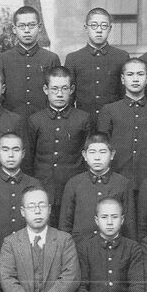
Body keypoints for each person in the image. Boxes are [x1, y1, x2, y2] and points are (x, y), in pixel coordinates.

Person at [26, 66, 92, 226]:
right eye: (54, 89)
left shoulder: (83, 119)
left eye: (64, 88)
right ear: (46, 89)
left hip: (73, 187)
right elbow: (29, 158)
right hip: (43, 187)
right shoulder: (35, 120)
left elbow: (87, 158)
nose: (60, 94)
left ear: (72, 89)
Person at [96, 58, 147, 195]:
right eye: (130, 74)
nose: (135, 79)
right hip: (117, 180)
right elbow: (102, 148)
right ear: (122, 79)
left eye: (140, 74)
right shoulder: (109, 110)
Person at [58, 132, 136, 241]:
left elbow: (129, 225)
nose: (97, 157)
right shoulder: (74, 184)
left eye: (103, 152)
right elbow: (65, 225)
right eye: (92, 152)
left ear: (112, 154)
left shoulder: (122, 184)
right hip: (80, 245)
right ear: (84, 155)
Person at [64, 8, 130, 120]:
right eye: (94, 25)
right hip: (83, 122)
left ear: (110, 28)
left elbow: (125, 94)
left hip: (114, 121)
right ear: (86, 28)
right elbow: (69, 98)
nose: (99, 30)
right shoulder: (73, 59)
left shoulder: (121, 57)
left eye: (104, 26)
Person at [0, 6, 61, 118]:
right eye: (21, 26)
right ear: (14, 29)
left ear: (39, 27)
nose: (27, 30)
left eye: (31, 25)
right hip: (11, 121)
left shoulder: (51, 59)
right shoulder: (3, 59)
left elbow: (56, 93)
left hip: (44, 121)